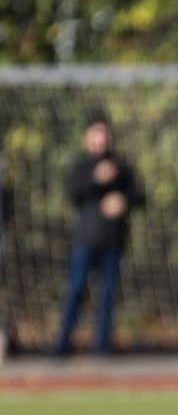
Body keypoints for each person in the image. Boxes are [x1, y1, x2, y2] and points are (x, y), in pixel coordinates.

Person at [53, 114, 144, 356]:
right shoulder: (81, 167)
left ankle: (101, 346)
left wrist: (123, 200)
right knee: (76, 291)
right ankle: (61, 344)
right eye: (96, 134)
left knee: (108, 295)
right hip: (85, 241)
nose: (101, 140)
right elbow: (73, 193)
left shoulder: (121, 168)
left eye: (104, 134)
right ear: (88, 138)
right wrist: (96, 178)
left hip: (113, 242)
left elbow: (140, 197)